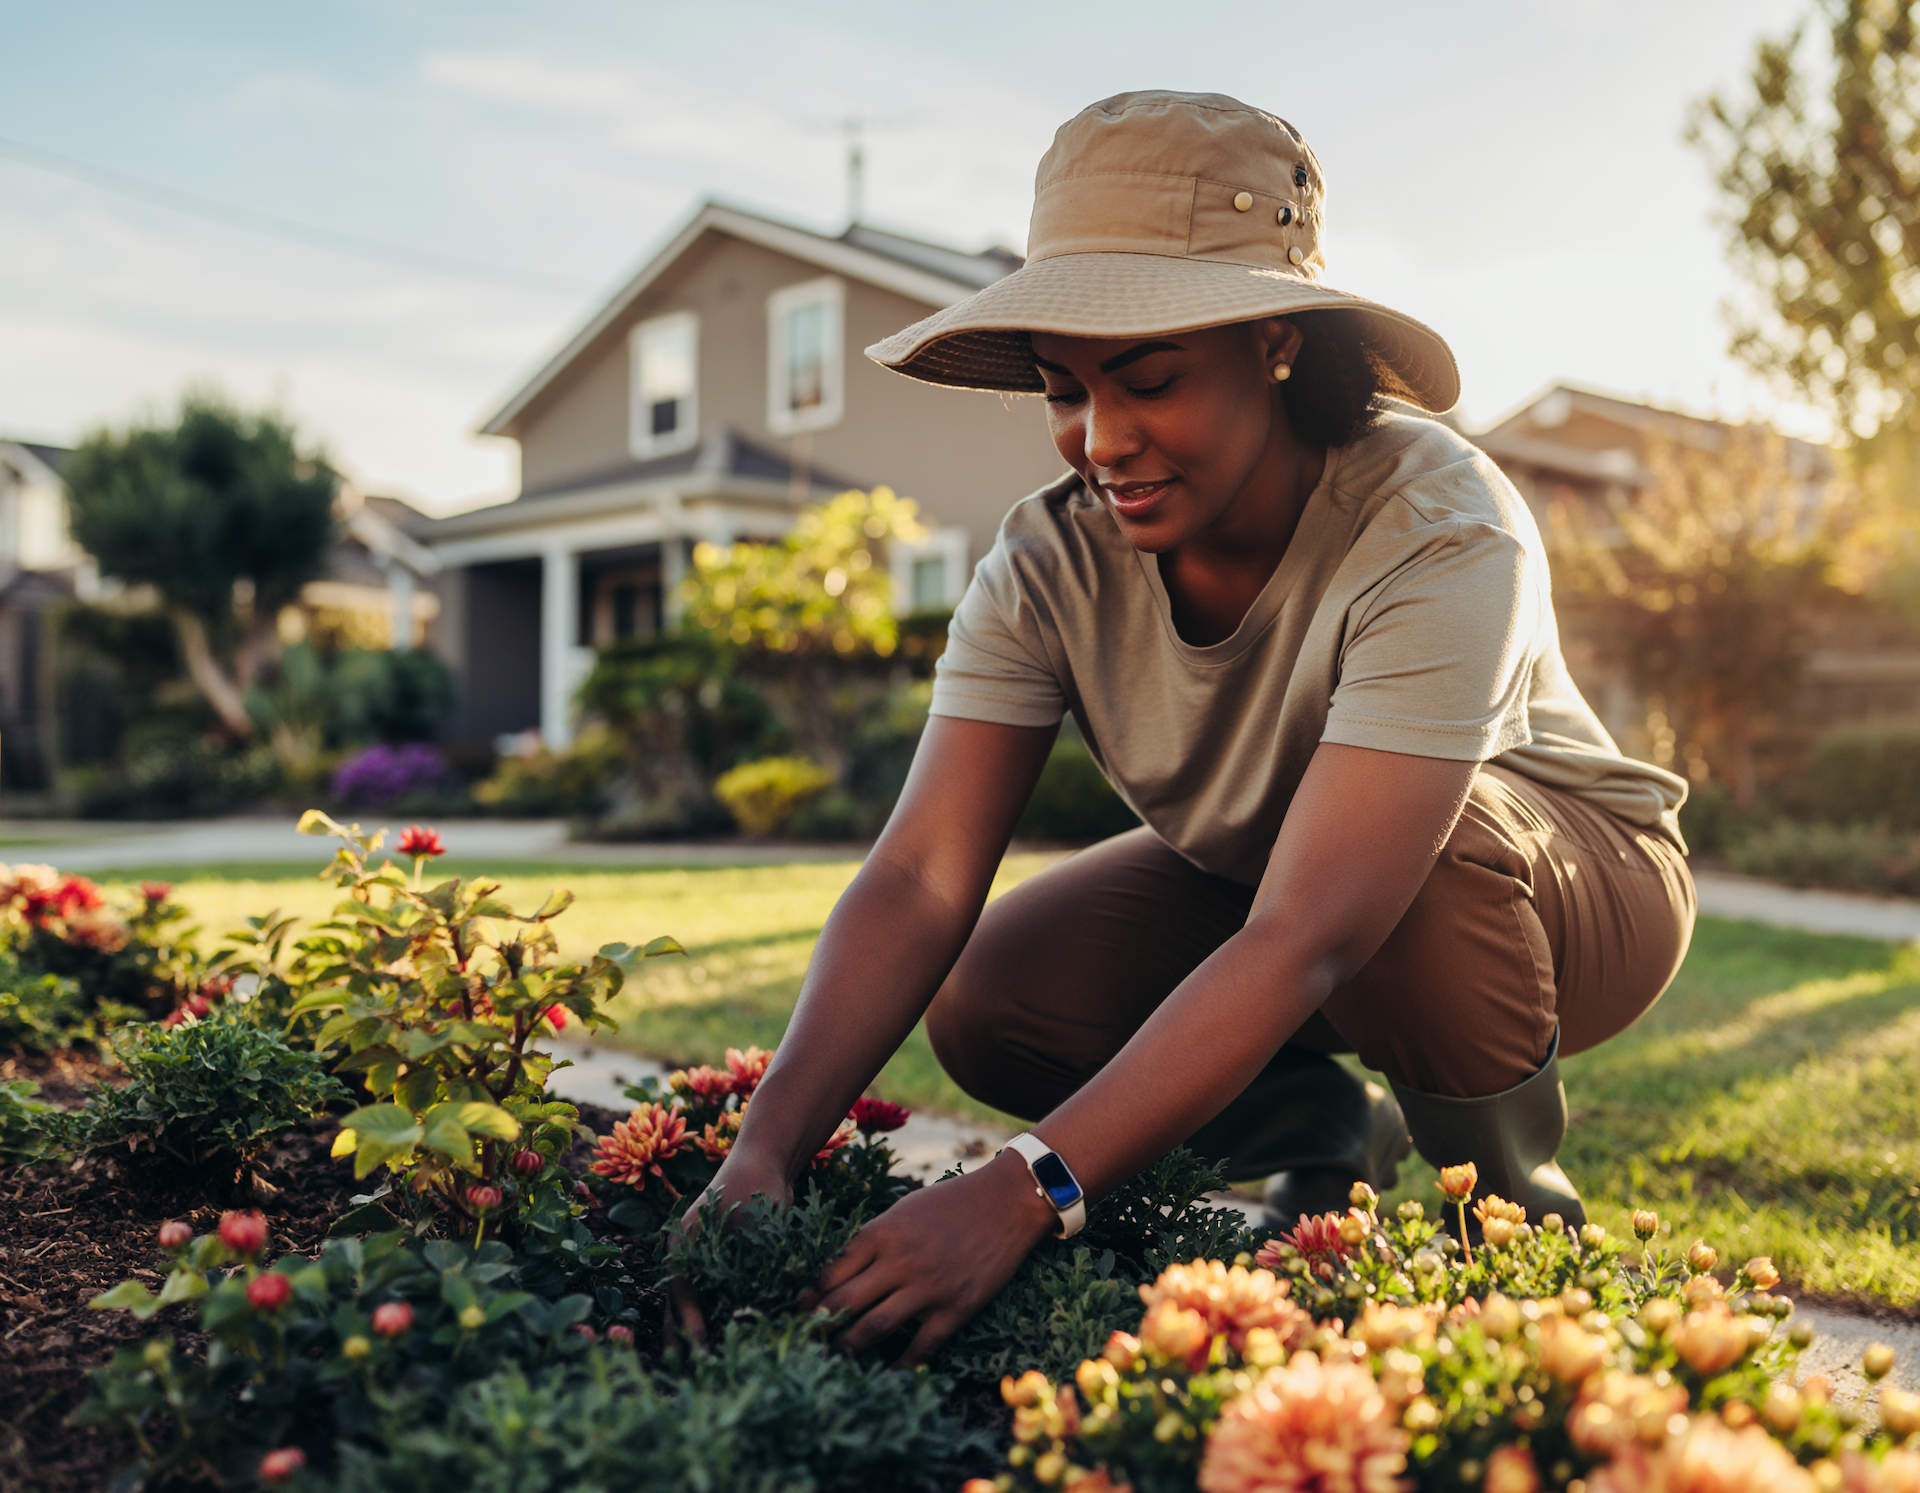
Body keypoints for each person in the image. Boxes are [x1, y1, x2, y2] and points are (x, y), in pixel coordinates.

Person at [676, 90, 1695, 1363]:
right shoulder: (1048, 560)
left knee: (1420, 876)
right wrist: (764, 1145)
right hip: (1281, 882)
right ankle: (1327, 1138)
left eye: (1150, 380)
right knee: (994, 997)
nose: (1102, 442)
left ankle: (1518, 1231)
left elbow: (1312, 928)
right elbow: (920, 870)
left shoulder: (1437, 520)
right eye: (1064, 392)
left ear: (1274, 341)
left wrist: (1025, 1189)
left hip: (1563, 881)